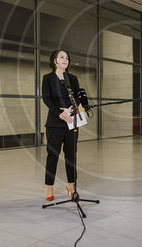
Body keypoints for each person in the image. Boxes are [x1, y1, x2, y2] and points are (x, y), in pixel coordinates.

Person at [42, 50, 80, 201]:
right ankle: (49, 188)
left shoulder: (73, 78)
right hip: (54, 123)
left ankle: (71, 185)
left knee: (71, 156)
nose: (65, 60)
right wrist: (60, 113)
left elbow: (77, 96)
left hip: (71, 122)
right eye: (62, 57)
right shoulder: (48, 78)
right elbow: (46, 99)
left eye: (67, 58)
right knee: (53, 156)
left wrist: (70, 109)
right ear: (55, 60)